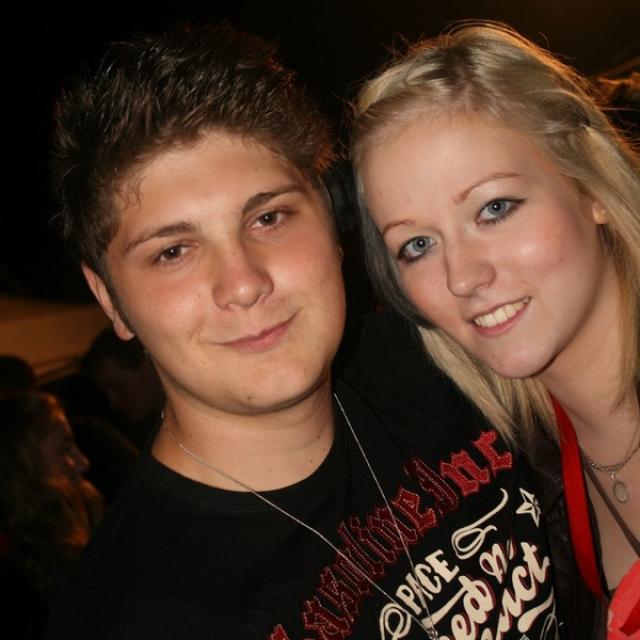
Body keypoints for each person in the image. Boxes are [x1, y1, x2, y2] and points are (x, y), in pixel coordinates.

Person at [46, 23, 561, 639]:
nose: (243, 283)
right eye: (173, 252)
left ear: (331, 217)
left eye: (269, 217)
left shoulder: (455, 358)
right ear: (109, 298)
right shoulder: (127, 618)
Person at [351, 22, 640, 638]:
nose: (462, 277)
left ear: (588, 185)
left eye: (494, 208)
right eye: (417, 245)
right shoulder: (518, 486)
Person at [0, 392, 103, 639]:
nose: (83, 462)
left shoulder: (84, 519)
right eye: (65, 449)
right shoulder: (18, 585)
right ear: (25, 471)